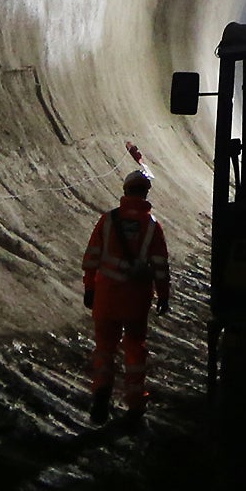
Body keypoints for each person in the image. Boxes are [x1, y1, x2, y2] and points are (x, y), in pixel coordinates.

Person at [81, 169, 171, 420]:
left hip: (107, 296)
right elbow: (160, 265)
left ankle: (101, 393)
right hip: (136, 299)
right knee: (134, 351)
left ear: (125, 190)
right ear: (146, 192)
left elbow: (91, 257)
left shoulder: (108, 220)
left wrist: (89, 287)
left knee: (104, 348)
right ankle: (134, 404)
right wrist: (163, 295)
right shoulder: (153, 227)